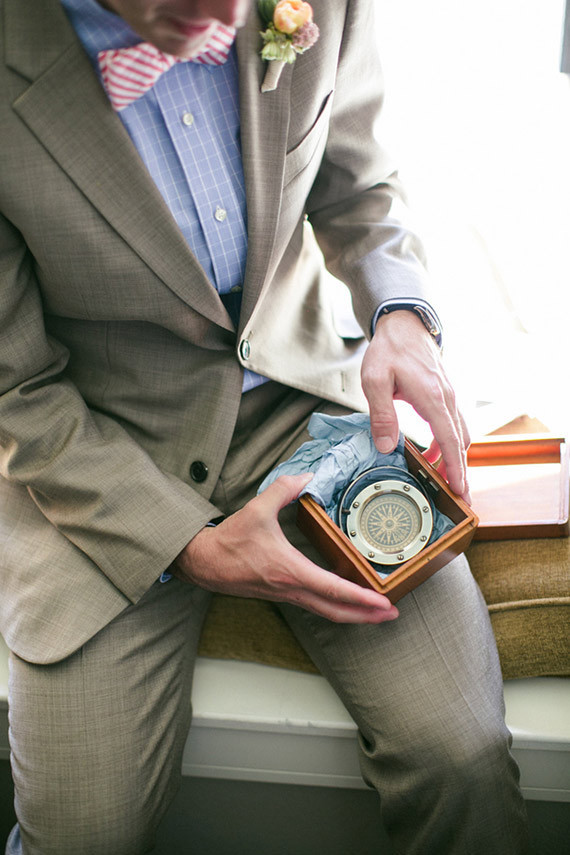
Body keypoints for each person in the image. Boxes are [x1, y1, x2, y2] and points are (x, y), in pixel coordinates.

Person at [0, 0, 528, 852]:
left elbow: (360, 182)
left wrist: (400, 312)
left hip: (304, 407)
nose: (220, 16)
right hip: (99, 455)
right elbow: (16, 390)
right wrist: (188, 543)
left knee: (460, 758)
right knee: (80, 833)